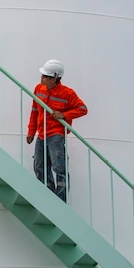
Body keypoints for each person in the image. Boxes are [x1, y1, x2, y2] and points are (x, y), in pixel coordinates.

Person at [26, 59, 88, 202]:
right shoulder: (38, 89)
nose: (41, 78)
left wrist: (64, 115)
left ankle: (60, 199)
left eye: (45, 76)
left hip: (56, 135)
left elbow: (83, 109)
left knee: (59, 167)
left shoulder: (67, 94)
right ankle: (48, 195)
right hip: (41, 134)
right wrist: (31, 131)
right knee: (39, 166)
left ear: (55, 78)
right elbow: (34, 111)